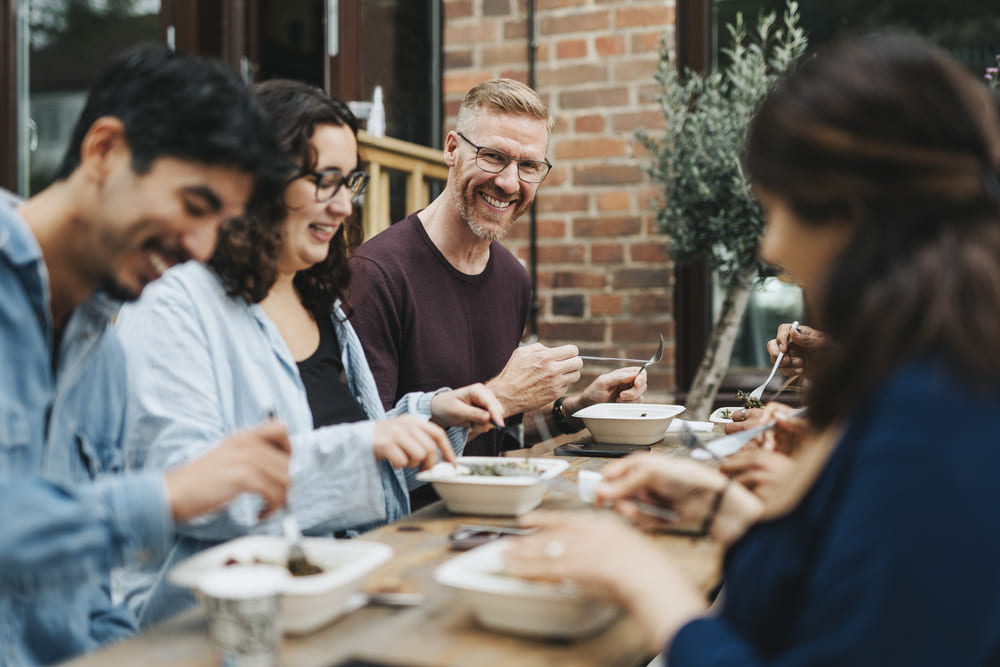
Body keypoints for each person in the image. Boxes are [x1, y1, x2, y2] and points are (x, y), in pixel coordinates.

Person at [505, 33, 1000, 664]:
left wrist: (640, 579)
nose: (771, 248)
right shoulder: (926, 377)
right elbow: (847, 578)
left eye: (776, 209)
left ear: (849, 210)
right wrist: (716, 504)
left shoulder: (937, 419)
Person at [114, 79, 505, 628]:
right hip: (217, 631)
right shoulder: (172, 309)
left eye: (349, 183)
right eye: (323, 181)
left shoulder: (320, 304)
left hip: (336, 604)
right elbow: (189, 488)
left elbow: (336, 458)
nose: (344, 204)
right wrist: (368, 441)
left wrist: (427, 419)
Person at [0, 46, 292, 666]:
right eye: (194, 206)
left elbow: (85, 600)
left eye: (223, 223)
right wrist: (165, 495)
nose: (201, 246)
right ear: (103, 151)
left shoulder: (106, 345)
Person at [349, 78, 646, 472]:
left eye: (528, 166)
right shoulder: (375, 275)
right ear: (452, 149)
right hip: (409, 528)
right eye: (493, 156)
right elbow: (366, 456)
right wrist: (503, 396)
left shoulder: (512, 278)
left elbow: (497, 435)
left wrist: (578, 409)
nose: (508, 182)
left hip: (487, 517)